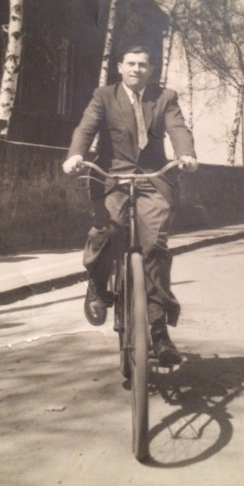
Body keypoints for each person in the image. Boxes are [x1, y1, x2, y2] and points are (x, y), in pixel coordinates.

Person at [63, 43, 198, 366]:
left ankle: (159, 329)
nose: (137, 69)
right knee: (108, 230)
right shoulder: (104, 96)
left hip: (154, 179)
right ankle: (97, 285)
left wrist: (186, 154)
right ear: (120, 68)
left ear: (150, 71)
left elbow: (178, 127)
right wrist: (75, 155)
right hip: (113, 177)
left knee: (155, 246)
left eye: (143, 65)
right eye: (131, 64)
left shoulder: (164, 98)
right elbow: (87, 127)